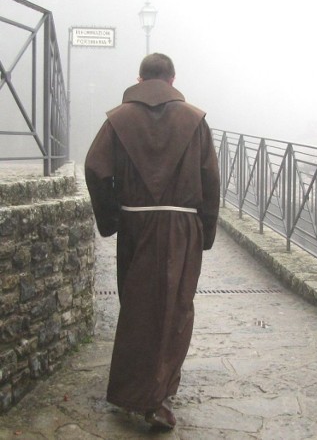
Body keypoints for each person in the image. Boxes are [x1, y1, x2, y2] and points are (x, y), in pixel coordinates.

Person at [84, 53, 220, 430]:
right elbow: (210, 179)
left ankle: (145, 391)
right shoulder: (196, 120)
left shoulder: (118, 120)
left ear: (140, 78)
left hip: (136, 223)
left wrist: (112, 218)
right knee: (175, 308)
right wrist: (206, 231)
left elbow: (95, 169)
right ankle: (154, 397)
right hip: (182, 227)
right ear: (173, 80)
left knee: (138, 307)